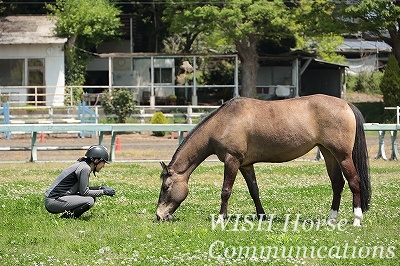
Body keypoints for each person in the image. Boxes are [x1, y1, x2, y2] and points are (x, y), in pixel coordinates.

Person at [44, 145, 116, 219]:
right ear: (96, 160)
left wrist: (100, 188)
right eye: (103, 162)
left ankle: (66, 217)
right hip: (53, 201)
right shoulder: (85, 168)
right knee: (89, 200)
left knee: (91, 198)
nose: (103, 166)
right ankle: (65, 219)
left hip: (54, 199)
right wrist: (103, 192)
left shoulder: (83, 165)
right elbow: (84, 192)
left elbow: (82, 189)